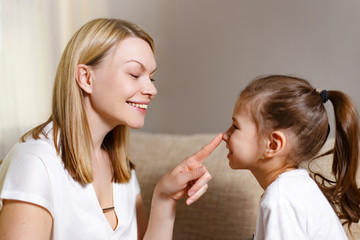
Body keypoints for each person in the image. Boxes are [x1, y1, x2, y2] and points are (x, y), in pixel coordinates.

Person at [0, 18, 222, 239]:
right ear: (86, 78)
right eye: (135, 74)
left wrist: (164, 198)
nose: (151, 89)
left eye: (152, 78)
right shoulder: (35, 163)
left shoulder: (121, 167)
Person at [222, 75, 360, 239]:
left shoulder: (280, 200)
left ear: (273, 145)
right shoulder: (294, 188)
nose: (225, 135)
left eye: (235, 126)